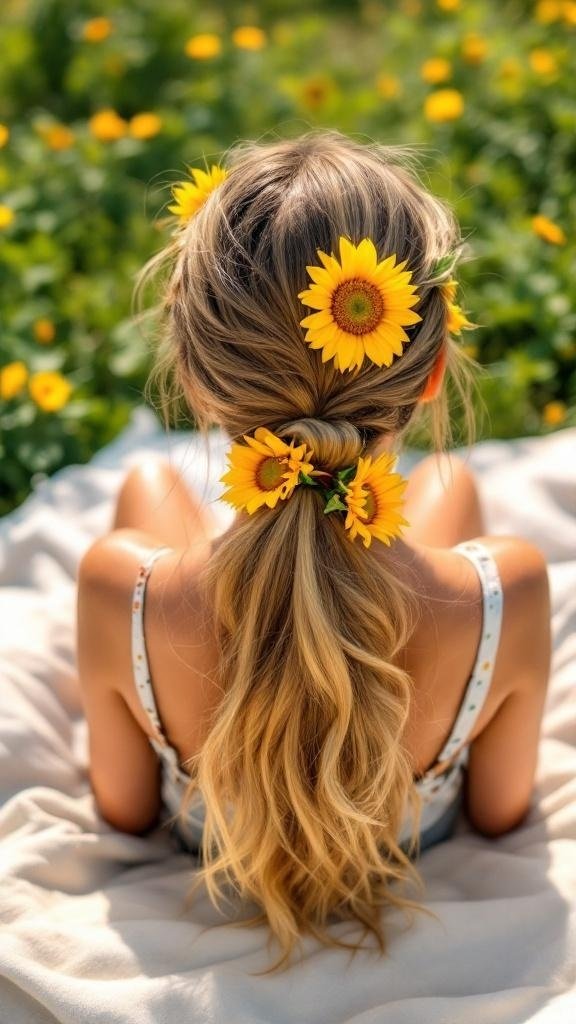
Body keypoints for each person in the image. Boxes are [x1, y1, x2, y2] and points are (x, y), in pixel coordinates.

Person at [76, 130, 551, 975]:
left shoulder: (117, 587)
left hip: (211, 822)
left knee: (146, 487)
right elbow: (502, 811)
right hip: (404, 816)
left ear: (194, 376)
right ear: (434, 369)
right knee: (452, 489)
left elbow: (123, 811)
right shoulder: (510, 588)